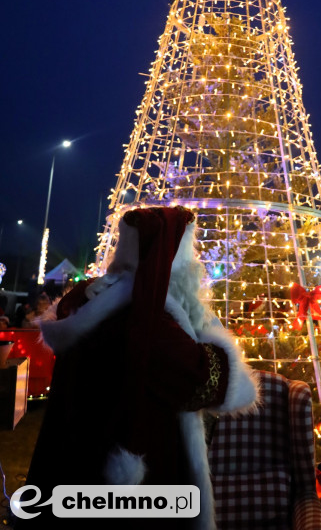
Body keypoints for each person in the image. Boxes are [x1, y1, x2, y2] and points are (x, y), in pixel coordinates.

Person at [23, 206, 259, 528]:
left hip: (79, 461)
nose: (197, 266)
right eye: (191, 256)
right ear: (173, 259)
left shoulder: (90, 298)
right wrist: (212, 331)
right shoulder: (148, 320)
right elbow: (215, 384)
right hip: (135, 487)